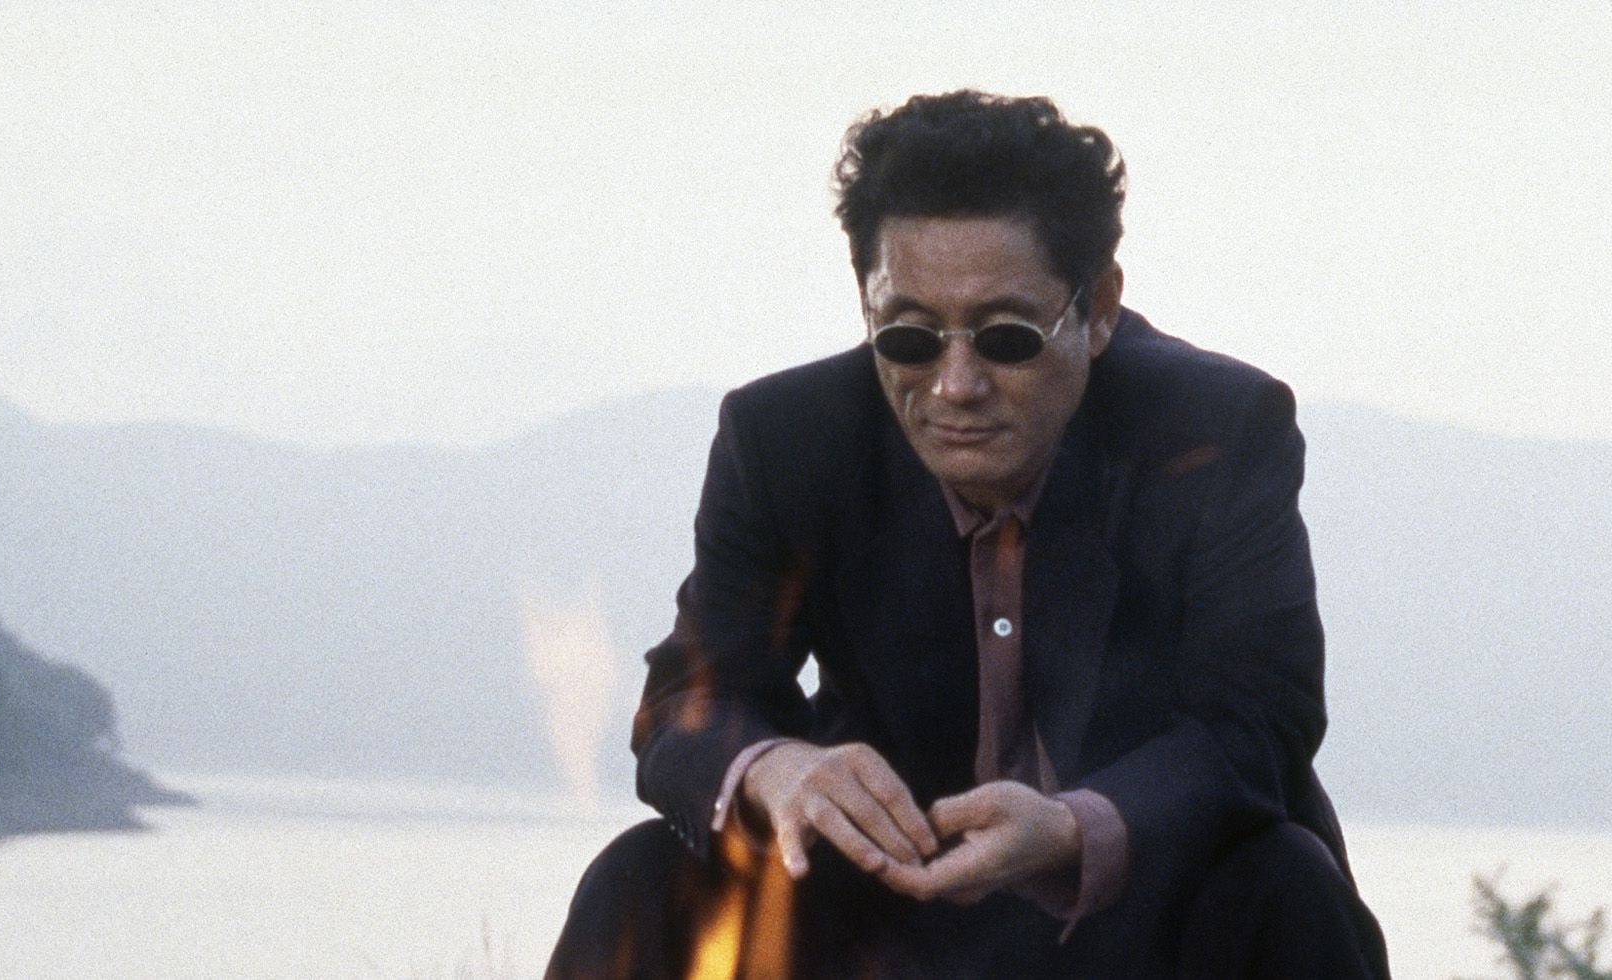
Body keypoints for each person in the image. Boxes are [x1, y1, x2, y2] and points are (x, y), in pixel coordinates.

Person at [546, 90, 1388, 979]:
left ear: (1099, 307)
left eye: (1006, 338)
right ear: (866, 304)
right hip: (884, 911)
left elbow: (1257, 723)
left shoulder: (1215, 430)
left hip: (1146, 903)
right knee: (639, 878)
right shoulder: (786, 439)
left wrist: (1071, 828)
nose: (955, 385)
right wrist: (774, 768)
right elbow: (686, 696)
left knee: (1289, 883)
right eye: (909, 336)